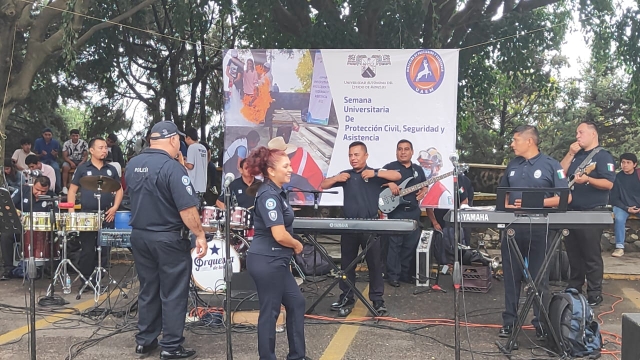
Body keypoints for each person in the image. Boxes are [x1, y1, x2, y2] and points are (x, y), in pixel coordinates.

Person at [125, 121, 207, 360]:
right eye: (178, 141)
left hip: (140, 236)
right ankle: (171, 346)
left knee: (148, 288)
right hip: (168, 238)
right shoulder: (172, 168)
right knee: (173, 291)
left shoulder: (133, 164)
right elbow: (187, 208)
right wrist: (199, 234)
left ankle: (145, 341)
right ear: (172, 140)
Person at [498, 125, 570, 341]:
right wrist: (509, 206)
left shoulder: (551, 165)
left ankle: (541, 323)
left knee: (539, 279)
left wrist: (537, 202)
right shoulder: (512, 165)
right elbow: (504, 197)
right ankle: (510, 323)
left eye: (515, 139)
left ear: (529, 141)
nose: (512, 144)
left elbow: (565, 197)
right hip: (513, 228)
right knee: (511, 278)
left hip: (540, 229)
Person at [320, 141, 401, 316]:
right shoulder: (346, 175)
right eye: (350, 155)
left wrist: (377, 173)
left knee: (374, 264)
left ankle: (377, 300)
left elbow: (396, 176)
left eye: (356, 155)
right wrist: (336, 178)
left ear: (365, 156)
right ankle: (347, 297)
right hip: (349, 226)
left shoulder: (373, 174)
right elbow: (323, 185)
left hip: (370, 225)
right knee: (347, 265)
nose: (353, 158)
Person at [244, 146, 307, 360]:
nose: (291, 169)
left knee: (296, 302)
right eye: (286, 166)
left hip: (277, 261)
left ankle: (297, 355)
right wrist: (296, 245)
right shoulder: (268, 195)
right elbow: (279, 234)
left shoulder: (278, 192)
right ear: (271, 171)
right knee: (270, 312)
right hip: (266, 261)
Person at [560, 121, 615, 307]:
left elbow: (609, 184)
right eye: (576, 133)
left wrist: (588, 180)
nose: (577, 136)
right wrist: (570, 153)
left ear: (593, 134)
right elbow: (560, 173)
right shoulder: (577, 155)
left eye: (581, 132)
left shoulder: (603, 156)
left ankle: (594, 292)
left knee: (591, 254)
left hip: (592, 212)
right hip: (571, 211)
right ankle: (574, 287)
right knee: (573, 253)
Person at [67, 138, 123, 281]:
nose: (104, 150)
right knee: (87, 249)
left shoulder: (111, 169)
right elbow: (72, 191)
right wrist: (72, 213)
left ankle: (99, 279)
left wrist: (115, 207)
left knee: (104, 249)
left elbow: (119, 190)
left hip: (106, 214)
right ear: (91, 150)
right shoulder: (82, 169)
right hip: (87, 214)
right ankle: (85, 279)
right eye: (101, 147)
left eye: (105, 147)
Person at [383, 140, 428, 286]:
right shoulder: (390, 168)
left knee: (410, 244)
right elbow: (376, 180)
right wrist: (389, 183)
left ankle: (404, 274)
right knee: (395, 245)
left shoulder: (418, 170)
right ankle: (393, 276)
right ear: (396, 152)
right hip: (396, 212)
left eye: (406, 149)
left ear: (412, 152)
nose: (403, 152)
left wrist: (425, 189)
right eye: (400, 149)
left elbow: (425, 183)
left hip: (414, 212)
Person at [1, 176, 55, 280]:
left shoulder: (52, 196)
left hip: (40, 230)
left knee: (52, 237)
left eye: (43, 191)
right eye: (37, 190)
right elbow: (9, 205)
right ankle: (8, 268)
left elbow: (54, 215)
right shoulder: (23, 190)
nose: (39, 193)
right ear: (33, 185)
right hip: (22, 227)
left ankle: (47, 267)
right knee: (6, 236)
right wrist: (16, 212)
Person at [610, 153, 640, 257]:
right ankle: (619, 247)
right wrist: (626, 208)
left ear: (634, 164)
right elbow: (613, 199)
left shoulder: (639, 175)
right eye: (623, 162)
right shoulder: (616, 178)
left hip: (638, 206)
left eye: (628, 162)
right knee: (619, 218)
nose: (625, 165)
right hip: (622, 206)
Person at [33, 128, 61, 192]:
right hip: (42, 160)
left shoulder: (55, 142)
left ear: (52, 135)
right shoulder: (38, 141)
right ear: (43, 135)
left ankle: (58, 188)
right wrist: (41, 155)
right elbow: (35, 155)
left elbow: (57, 156)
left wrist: (54, 154)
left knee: (56, 168)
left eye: (49, 135)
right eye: (46, 135)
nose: (47, 136)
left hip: (52, 160)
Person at [61, 129, 89, 194]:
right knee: (65, 167)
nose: (75, 137)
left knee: (86, 168)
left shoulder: (84, 143)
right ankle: (64, 187)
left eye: (77, 136)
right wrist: (71, 162)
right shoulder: (66, 143)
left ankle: (84, 187)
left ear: (79, 136)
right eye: (73, 136)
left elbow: (86, 156)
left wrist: (81, 163)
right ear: (70, 136)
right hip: (69, 160)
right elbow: (64, 156)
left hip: (81, 160)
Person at [184, 127, 208, 195]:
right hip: (202, 185)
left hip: (194, 185)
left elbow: (190, 166)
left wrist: (182, 161)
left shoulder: (191, 147)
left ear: (188, 137)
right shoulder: (203, 148)